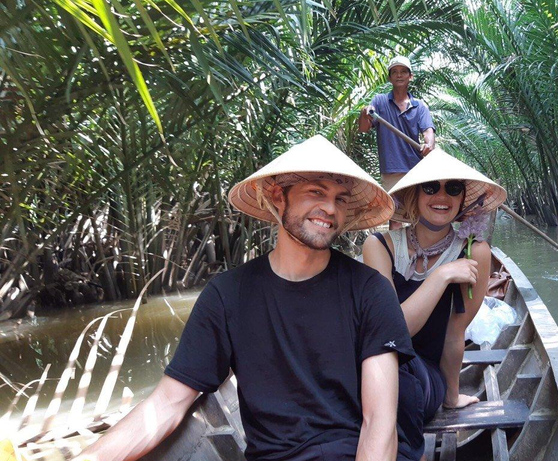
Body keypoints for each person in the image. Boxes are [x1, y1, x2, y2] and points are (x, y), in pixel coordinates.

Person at [75, 136, 417, 461]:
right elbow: (168, 403)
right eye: (316, 192)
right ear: (277, 196)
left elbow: (380, 423)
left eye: (340, 199)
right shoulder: (227, 295)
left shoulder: (370, 290)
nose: (329, 208)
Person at [361, 148, 507, 459]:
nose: (441, 195)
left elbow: (455, 334)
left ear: (462, 198)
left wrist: (452, 398)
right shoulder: (378, 246)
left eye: (452, 187)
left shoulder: (474, 252)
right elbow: (390, 331)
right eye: (431, 187)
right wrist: (440, 276)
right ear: (414, 194)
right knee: (376, 366)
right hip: (375, 364)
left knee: (399, 379)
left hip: (423, 375)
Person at [358, 56, 436, 193]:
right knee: (395, 213)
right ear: (389, 78)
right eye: (394, 72)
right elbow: (364, 128)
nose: (399, 75)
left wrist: (428, 144)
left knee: (415, 212)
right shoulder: (379, 101)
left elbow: (428, 131)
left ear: (410, 76)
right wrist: (365, 113)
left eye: (403, 71)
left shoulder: (420, 106)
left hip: (417, 171)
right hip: (391, 172)